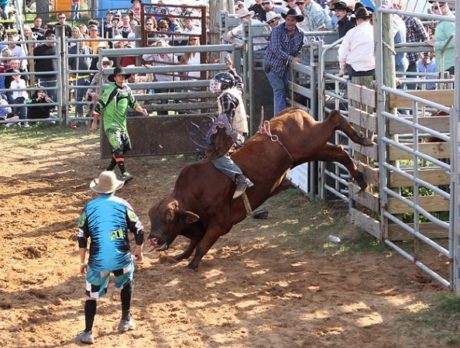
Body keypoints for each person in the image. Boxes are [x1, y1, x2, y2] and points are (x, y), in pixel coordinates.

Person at [75, 171, 144, 345]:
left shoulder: (89, 208)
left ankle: (88, 332)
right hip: (122, 258)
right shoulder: (123, 204)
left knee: (92, 295)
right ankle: (125, 320)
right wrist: (138, 250)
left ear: (97, 190)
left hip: (98, 262)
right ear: (115, 188)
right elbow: (139, 230)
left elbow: (82, 237)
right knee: (127, 282)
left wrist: (82, 261)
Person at [92, 67, 149, 182]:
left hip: (122, 125)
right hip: (111, 124)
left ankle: (108, 170)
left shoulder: (127, 90)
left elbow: (133, 103)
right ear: (114, 78)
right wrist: (95, 122)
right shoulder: (110, 90)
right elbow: (100, 105)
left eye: (123, 76)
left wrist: (142, 110)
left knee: (125, 147)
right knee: (118, 146)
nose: (121, 78)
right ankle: (124, 173)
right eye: (119, 76)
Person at [208, 55, 252, 199]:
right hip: (239, 132)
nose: (215, 86)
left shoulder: (225, 97)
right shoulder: (234, 91)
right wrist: (231, 69)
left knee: (216, 157)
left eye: (217, 83)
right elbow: (239, 83)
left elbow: (227, 119)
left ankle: (240, 178)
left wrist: (219, 135)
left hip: (235, 134)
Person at [263, 9, 304, 115]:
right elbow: (276, 49)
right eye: (288, 19)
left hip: (283, 66)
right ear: (285, 19)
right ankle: (279, 119)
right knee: (280, 90)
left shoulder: (300, 33)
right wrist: (291, 59)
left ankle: (282, 117)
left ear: (296, 21)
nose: (290, 22)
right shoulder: (277, 30)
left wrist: (296, 57)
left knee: (284, 90)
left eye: (292, 20)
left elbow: (298, 49)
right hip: (271, 65)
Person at [337, 7, 375, 88]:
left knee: (353, 93)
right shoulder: (375, 31)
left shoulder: (351, 32)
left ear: (357, 20)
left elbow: (342, 53)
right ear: (368, 19)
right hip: (372, 68)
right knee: (373, 93)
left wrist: (342, 69)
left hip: (355, 69)